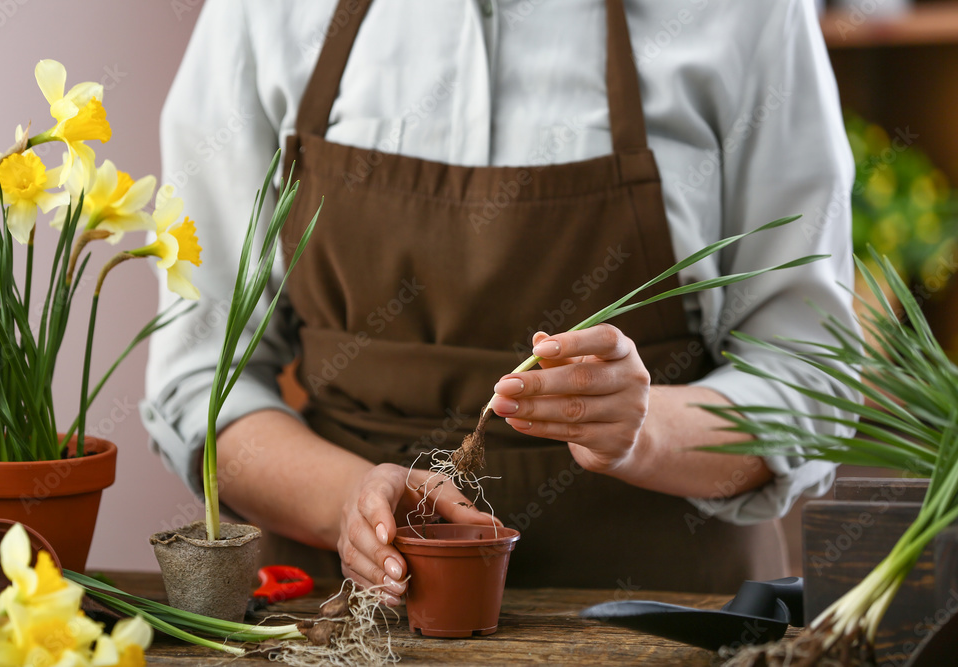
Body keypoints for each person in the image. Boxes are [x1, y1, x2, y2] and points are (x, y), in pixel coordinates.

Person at [142, 0, 859, 602]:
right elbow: (204, 379)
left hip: (677, 620)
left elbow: (809, 376)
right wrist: (352, 502)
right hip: (355, 625)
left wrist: (647, 429)